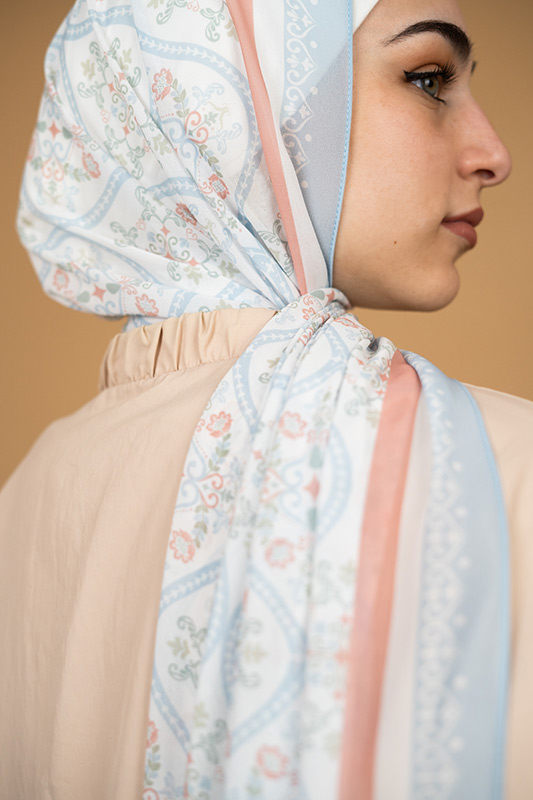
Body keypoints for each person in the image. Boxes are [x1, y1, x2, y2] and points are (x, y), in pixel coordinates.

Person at [1, 0, 531, 798]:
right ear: (234, 109)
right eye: (427, 79)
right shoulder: (499, 471)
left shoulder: (26, 501)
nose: (493, 153)